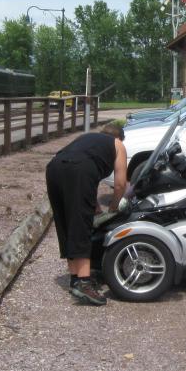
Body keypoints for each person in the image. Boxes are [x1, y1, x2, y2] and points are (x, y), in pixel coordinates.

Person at [45, 122, 127, 305]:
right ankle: (84, 282)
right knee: (82, 225)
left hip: (54, 168)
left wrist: (95, 206)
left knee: (66, 222)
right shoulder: (117, 144)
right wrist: (114, 208)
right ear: (119, 137)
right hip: (78, 171)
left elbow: (83, 174)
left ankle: (75, 278)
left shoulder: (87, 139)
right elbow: (121, 184)